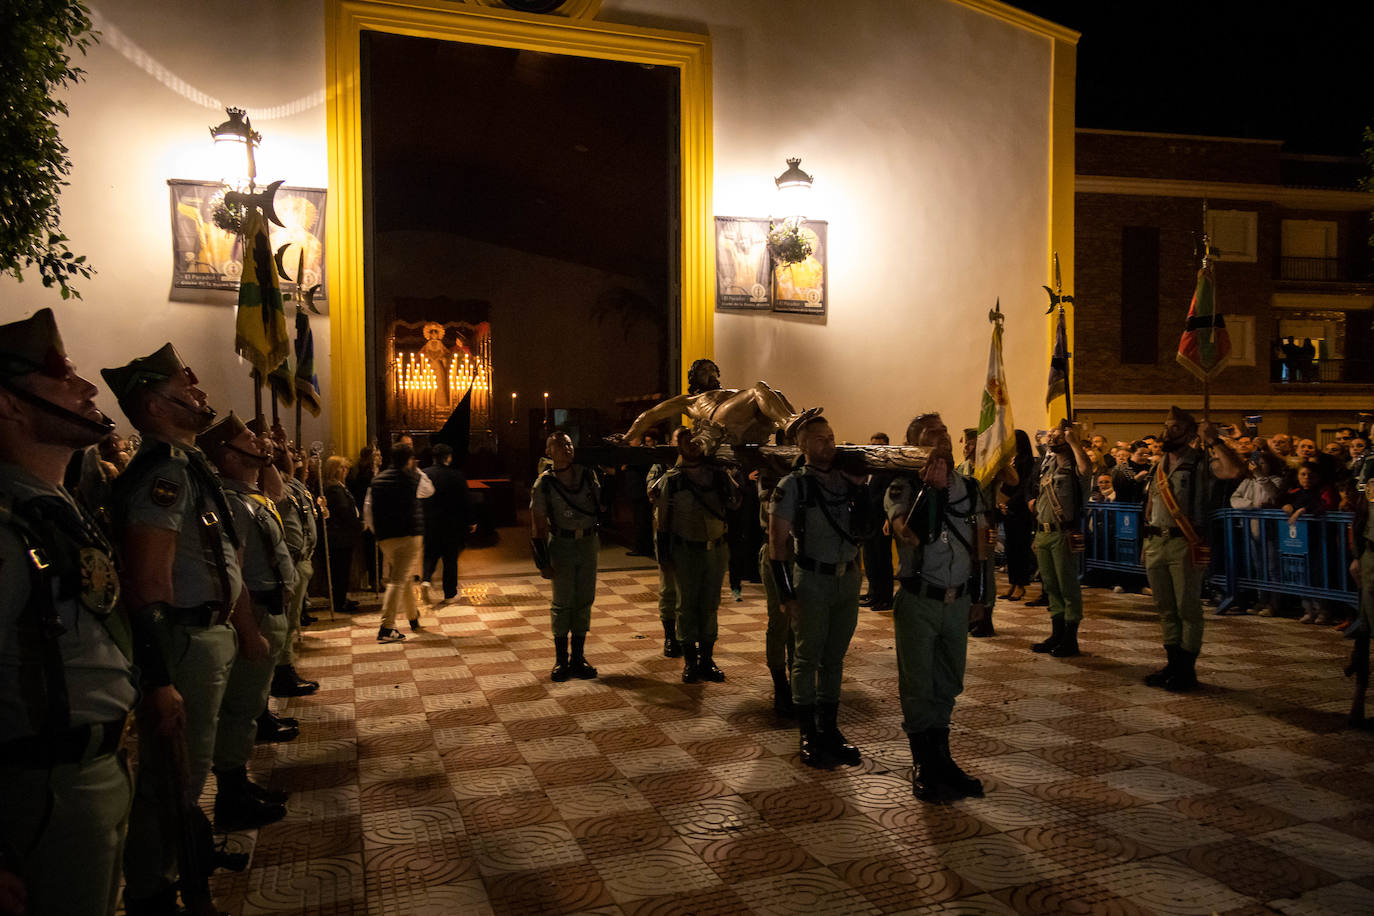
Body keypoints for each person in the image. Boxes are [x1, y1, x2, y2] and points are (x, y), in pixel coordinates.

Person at [0, 309, 136, 916]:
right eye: (63, 376)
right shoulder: (6, 525)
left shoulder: (57, 507)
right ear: (9, 404)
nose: (86, 389)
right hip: (44, 784)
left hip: (93, 766)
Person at [102, 343, 243, 915]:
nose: (202, 396)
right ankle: (153, 891)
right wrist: (160, 676)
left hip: (199, 635)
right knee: (173, 781)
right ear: (156, 405)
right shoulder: (162, 474)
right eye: (188, 391)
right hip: (180, 641)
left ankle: (170, 870)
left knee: (188, 773)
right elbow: (148, 580)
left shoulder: (183, 465)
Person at [197, 413, 294, 831]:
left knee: (250, 704)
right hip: (250, 610)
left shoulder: (250, 495)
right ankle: (231, 795)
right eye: (249, 439)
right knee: (239, 708)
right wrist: (248, 630)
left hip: (267, 605)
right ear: (227, 454)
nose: (259, 442)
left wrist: (268, 455)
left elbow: (277, 492)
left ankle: (240, 782)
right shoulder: (232, 503)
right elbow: (232, 571)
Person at [884, 412, 986, 801]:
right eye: (932, 434)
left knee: (948, 681)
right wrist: (931, 491)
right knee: (917, 684)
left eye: (944, 431)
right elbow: (906, 533)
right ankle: (923, 763)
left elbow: (980, 545)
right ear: (915, 446)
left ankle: (943, 759)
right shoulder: (902, 487)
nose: (942, 437)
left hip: (957, 601)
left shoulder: (971, 488)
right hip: (919, 601)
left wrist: (980, 598)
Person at [769, 413, 867, 768]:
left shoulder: (846, 480)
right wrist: (785, 594)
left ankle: (829, 728)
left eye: (832, 436)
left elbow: (867, 526)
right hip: (811, 579)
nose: (830, 444)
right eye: (821, 438)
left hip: (847, 578)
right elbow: (777, 542)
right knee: (806, 657)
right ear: (803, 445)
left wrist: (860, 487)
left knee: (834, 658)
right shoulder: (793, 485)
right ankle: (808, 733)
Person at [1141, 407, 1243, 691]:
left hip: (1184, 543)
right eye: (1166, 426)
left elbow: (1235, 470)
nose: (1166, 432)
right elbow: (1151, 503)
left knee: (1187, 608)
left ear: (1188, 432)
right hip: (1155, 542)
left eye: (1174, 428)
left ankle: (1186, 670)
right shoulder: (1159, 463)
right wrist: (1144, 542)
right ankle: (1172, 664)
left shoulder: (1199, 461)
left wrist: (1214, 440)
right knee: (1164, 608)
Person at [656, 426, 742, 682]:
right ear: (679, 447)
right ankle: (690, 661)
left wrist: (730, 476)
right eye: (686, 441)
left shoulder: (718, 476)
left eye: (696, 441)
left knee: (710, 605)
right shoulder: (672, 480)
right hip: (685, 550)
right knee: (685, 606)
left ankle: (707, 658)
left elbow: (735, 503)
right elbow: (663, 523)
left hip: (715, 550)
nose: (693, 445)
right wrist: (665, 558)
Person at [618, 358, 812, 453]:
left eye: (713, 370)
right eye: (704, 371)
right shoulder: (688, 400)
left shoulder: (730, 392)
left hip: (749, 423)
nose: (710, 373)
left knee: (774, 393)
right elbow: (650, 415)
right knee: (759, 388)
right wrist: (628, 438)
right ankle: (788, 423)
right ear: (694, 378)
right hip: (719, 421)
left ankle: (795, 432)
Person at [530, 431, 601, 681]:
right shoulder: (545, 483)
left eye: (569, 443)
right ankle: (561, 660)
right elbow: (537, 525)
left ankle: (578, 657)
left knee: (584, 600)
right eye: (559, 445)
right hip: (562, 543)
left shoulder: (588, 475)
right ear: (549, 451)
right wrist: (543, 560)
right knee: (562, 603)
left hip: (588, 542)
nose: (566, 448)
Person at [1029, 422, 1091, 658]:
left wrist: (1075, 441)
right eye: (1051, 433)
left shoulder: (1074, 463)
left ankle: (1070, 638)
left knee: (1067, 586)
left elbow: (1087, 471)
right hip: (1044, 532)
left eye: (1057, 433)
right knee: (1051, 586)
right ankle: (1056, 633)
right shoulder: (1048, 463)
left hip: (1062, 533)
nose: (1051, 436)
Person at [267, 429, 320, 700]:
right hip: (288, 564)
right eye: (286, 452)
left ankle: (286, 668)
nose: (293, 456)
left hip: (303, 561)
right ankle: (282, 673)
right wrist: (275, 454)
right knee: (285, 624)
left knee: (292, 619)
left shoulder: (295, 484)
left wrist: (301, 462)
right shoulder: (274, 486)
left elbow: (299, 478)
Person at [365, 442, 432, 642]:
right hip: (409, 535)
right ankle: (386, 626)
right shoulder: (414, 478)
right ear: (410, 460)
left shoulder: (377, 480)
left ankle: (413, 617)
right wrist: (416, 469)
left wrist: (377, 532)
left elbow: (368, 508)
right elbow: (430, 490)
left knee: (404, 576)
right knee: (398, 580)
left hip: (386, 537)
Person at [421, 443, 472, 604]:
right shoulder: (456, 475)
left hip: (429, 522)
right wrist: (470, 521)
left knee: (430, 553)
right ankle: (450, 594)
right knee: (450, 559)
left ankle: (426, 580)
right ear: (448, 458)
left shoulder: (424, 474)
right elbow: (465, 500)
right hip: (451, 524)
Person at [646, 450, 680, 658]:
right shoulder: (661, 467)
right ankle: (670, 637)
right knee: (668, 588)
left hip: (691, 533)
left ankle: (688, 636)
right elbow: (650, 491)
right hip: (666, 530)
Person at [998, 430, 1037, 603]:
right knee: (1010, 549)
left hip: (1020, 511)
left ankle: (1021, 585)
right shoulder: (1011, 460)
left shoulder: (1027, 461)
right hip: (1009, 510)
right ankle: (1013, 583)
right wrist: (1001, 502)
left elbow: (1024, 487)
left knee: (1020, 549)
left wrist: (1010, 503)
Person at [322, 456, 362, 614]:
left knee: (343, 569)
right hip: (340, 536)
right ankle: (339, 601)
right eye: (341, 468)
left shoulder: (339, 486)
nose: (345, 471)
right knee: (340, 569)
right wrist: (357, 524)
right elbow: (343, 510)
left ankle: (341, 597)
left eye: (346, 468)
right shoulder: (334, 488)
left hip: (343, 535)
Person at [860, 432, 895, 612]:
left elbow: (891, 497)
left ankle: (886, 597)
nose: (875, 448)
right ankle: (873, 593)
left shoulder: (889, 469)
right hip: (869, 520)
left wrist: (889, 518)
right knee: (870, 559)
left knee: (883, 560)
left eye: (879, 445)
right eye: (872, 445)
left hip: (882, 521)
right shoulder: (870, 467)